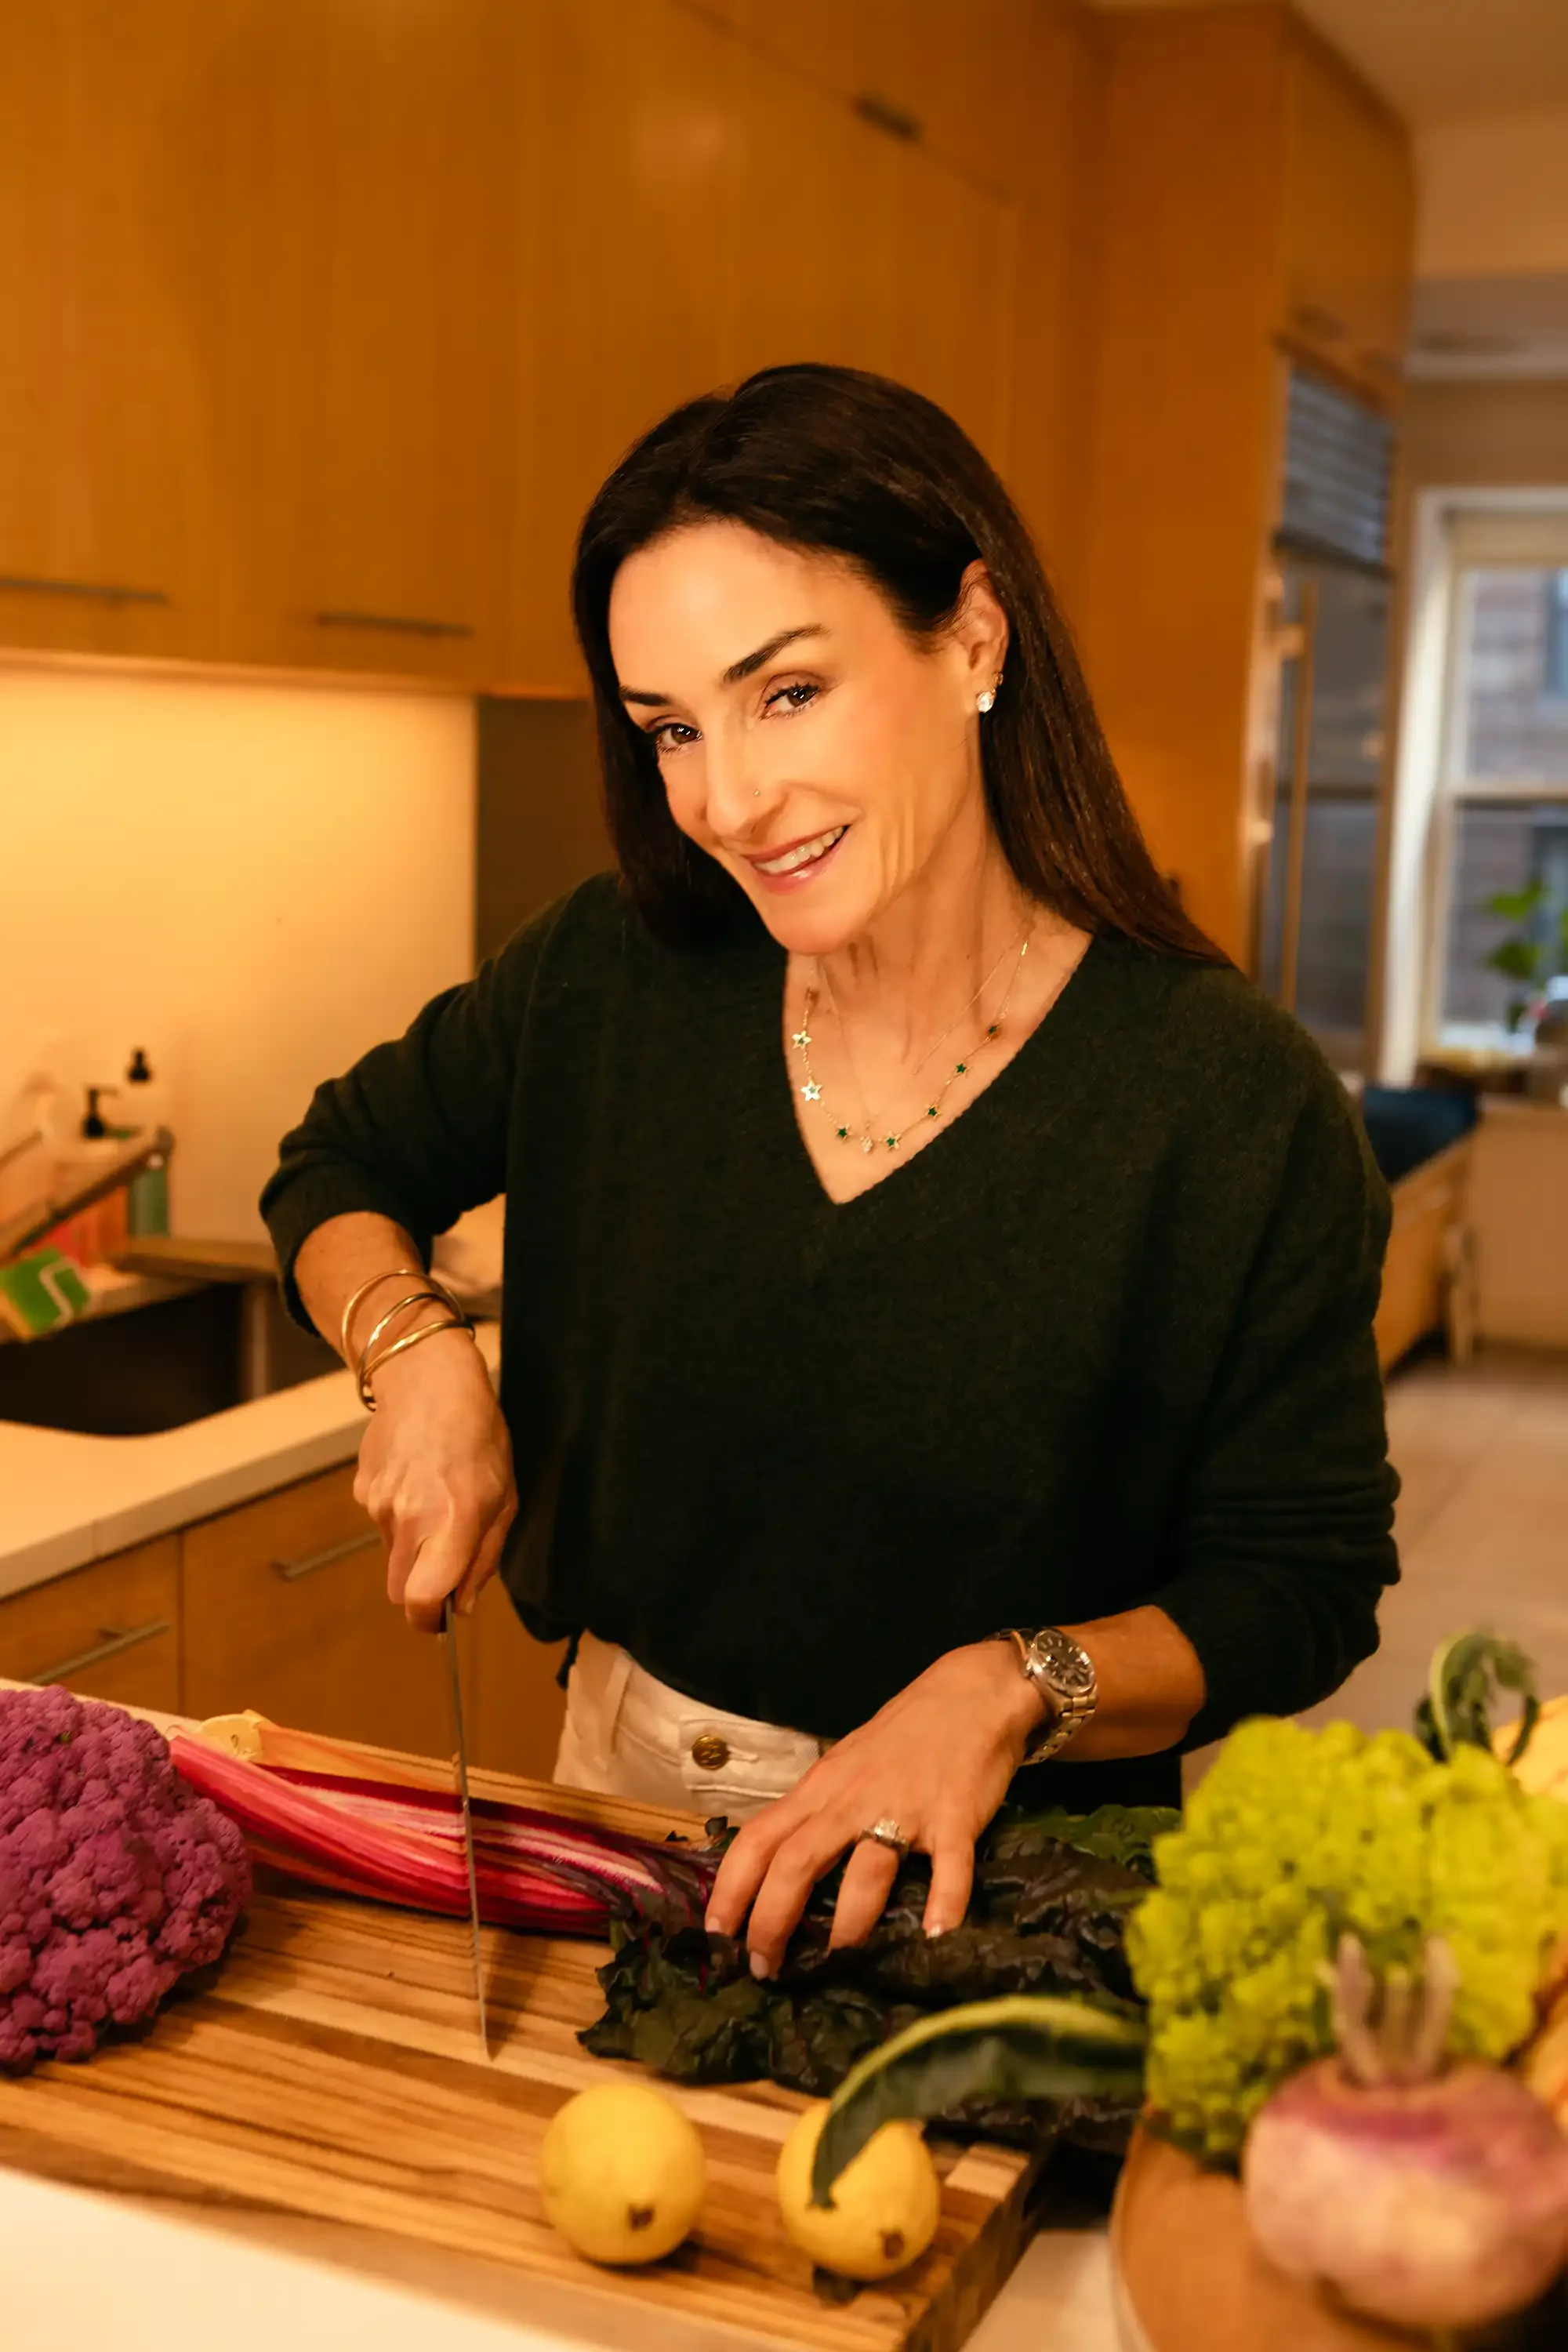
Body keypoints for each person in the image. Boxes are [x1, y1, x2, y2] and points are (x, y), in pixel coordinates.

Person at [261, 363, 1399, 1980]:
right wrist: (412, 1355)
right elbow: (343, 1162)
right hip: (625, 1814)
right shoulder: (616, 973)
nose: (726, 800)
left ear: (974, 639)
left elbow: (1300, 1584)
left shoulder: (1228, 1104)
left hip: (1010, 1888)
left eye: (785, 691)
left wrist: (1010, 1686)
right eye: (670, 728)